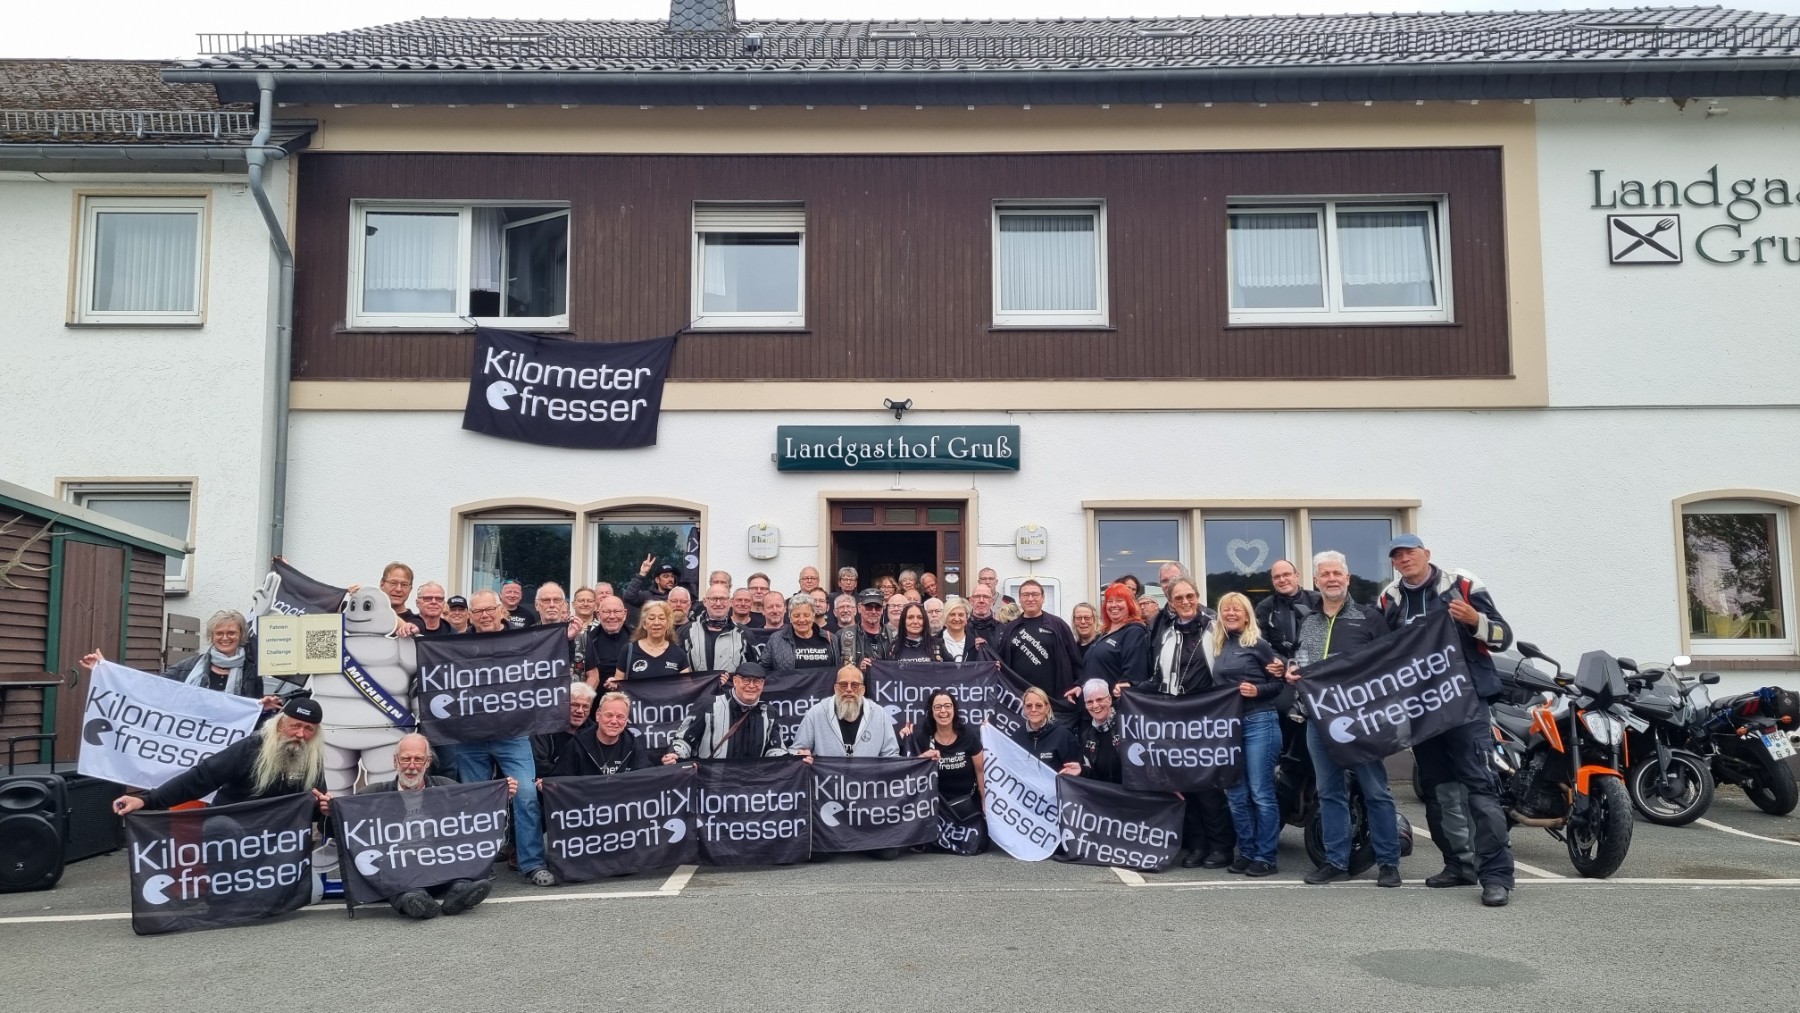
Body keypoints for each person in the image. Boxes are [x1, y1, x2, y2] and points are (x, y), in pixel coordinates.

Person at [1376, 533, 1516, 907]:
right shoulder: (1389, 598)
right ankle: (1458, 865)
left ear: (1426, 554)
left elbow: (1503, 637)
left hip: (1466, 703)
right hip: (1420, 708)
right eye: (1397, 555)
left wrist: (1475, 620)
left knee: (1480, 787)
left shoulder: (1462, 584)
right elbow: (1381, 652)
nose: (1405, 559)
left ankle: (1496, 876)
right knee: (1439, 791)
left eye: (1410, 552)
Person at [1290, 551, 1403, 888]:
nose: (1331, 579)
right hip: (1318, 721)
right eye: (1325, 574)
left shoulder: (1369, 618)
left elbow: (1389, 665)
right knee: (1329, 793)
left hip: (1361, 721)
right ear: (1316, 581)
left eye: (1337, 573)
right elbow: (1302, 660)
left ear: (1348, 578)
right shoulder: (1309, 621)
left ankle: (1388, 863)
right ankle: (1335, 861)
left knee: (1376, 792)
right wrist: (1294, 671)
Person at [1137, 578, 1235, 869]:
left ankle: (1221, 847)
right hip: (1175, 720)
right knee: (1184, 784)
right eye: (1178, 598)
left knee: (1208, 785)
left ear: (1198, 596)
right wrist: (1131, 691)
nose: (1185, 602)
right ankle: (1197, 845)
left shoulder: (1216, 627)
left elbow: (1243, 653)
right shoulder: (1167, 633)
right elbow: (1159, 678)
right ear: (1170, 602)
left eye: (1189, 596)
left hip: (1208, 717)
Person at [359, 734, 507, 920]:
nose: (411, 766)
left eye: (418, 759)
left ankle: (458, 893)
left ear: (427, 762)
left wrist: (501, 796)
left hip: (438, 865)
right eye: (405, 759)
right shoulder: (373, 795)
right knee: (400, 884)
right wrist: (330, 814)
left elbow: (477, 816)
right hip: (399, 869)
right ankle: (414, 900)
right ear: (395, 761)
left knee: (461, 860)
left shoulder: (446, 788)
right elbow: (346, 830)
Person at [112, 695, 331, 814]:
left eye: (308, 729)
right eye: (295, 726)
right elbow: (200, 777)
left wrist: (324, 809)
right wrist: (146, 800)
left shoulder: (311, 758)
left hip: (279, 836)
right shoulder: (252, 748)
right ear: (280, 724)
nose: (300, 734)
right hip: (233, 827)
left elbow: (313, 807)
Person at [1210, 591, 1283, 878]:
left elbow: (1279, 684)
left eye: (1236, 609)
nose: (1230, 613)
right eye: (1225, 609)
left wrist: (1258, 690)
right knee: (1236, 794)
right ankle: (1248, 852)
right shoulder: (1219, 645)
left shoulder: (1259, 644)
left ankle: (1266, 856)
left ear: (1246, 614)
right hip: (1230, 727)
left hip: (1259, 721)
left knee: (1261, 793)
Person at [453, 683, 555, 885]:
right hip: (468, 734)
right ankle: (479, 864)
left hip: (512, 732)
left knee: (526, 794)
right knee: (475, 801)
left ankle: (532, 863)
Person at [905, 690, 986, 854]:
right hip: (936, 808)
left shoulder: (968, 735)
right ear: (931, 711)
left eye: (948, 706)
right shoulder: (923, 737)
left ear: (954, 709)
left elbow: (980, 771)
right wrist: (922, 757)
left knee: (980, 843)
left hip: (966, 804)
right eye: (938, 707)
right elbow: (912, 773)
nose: (943, 711)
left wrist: (985, 802)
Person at [162, 610, 282, 712]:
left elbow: (251, 713)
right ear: (212, 636)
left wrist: (262, 707)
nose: (225, 638)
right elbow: (158, 689)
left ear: (241, 635)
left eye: (231, 633)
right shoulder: (186, 668)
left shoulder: (251, 672)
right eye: (219, 633)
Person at [995, 579, 1083, 716]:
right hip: (1020, 702)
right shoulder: (1011, 628)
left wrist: (1078, 684)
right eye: (1025, 595)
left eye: (1035, 594)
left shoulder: (1058, 625)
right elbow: (1001, 662)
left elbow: (1075, 661)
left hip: (1054, 702)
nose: (1030, 599)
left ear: (1043, 598)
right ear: (1020, 599)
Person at [666, 663, 787, 761]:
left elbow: (776, 748)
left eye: (757, 681)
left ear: (763, 684)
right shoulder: (708, 705)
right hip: (713, 781)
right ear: (735, 681)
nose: (751, 685)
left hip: (752, 781)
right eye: (746, 680)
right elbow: (684, 739)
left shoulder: (770, 713)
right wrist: (675, 754)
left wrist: (790, 761)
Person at [790, 665, 900, 760]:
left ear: (863, 690)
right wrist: (801, 755)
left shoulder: (879, 715)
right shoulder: (816, 713)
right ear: (835, 688)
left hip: (867, 778)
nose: (849, 689)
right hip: (828, 778)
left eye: (855, 685)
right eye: (843, 685)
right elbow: (796, 751)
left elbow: (891, 756)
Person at [545, 692, 654, 778]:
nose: (614, 721)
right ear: (598, 715)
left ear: (626, 721)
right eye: (609, 715)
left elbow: (646, 778)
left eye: (620, 717)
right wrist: (549, 785)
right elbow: (561, 780)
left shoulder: (633, 744)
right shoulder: (577, 744)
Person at [1084, 583, 1149, 699]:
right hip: (1092, 703)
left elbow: (1135, 673)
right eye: (1110, 601)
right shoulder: (1103, 633)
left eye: (1119, 601)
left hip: (1114, 703)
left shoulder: (1134, 631)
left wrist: (1125, 688)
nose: (1114, 605)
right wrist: (1079, 685)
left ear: (1129, 605)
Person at [611, 601, 691, 688]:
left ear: (668, 624)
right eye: (651, 618)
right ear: (644, 624)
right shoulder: (628, 651)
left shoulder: (678, 654)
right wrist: (613, 684)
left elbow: (687, 688)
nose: (656, 623)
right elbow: (618, 685)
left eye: (661, 618)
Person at [1256, 559, 1320, 662]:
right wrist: (1287, 664)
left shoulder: (1318, 600)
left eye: (1286, 574)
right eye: (1277, 577)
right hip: (1281, 668)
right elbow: (1261, 643)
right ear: (1273, 581)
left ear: (1297, 576)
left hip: (1319, 666)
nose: (1282, 580)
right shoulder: (1265, 607)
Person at [1065, 679, 1123, 783]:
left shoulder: (1127, 724)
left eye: (1099, 699)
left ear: (1109, 699)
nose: (1095, 705)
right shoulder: (1087, 736)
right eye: (1089, 702)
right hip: (1106, 791)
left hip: (1134, 791)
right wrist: (1082, 771)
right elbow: (1094, 775)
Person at [533, 682, 595, 779]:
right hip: (550, 783)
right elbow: (540, 765)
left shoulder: (594, 730)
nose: (580, 711)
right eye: (574, 705)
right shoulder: (543, 728)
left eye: (585, 706)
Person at [762, 593, 836, 672]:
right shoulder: (776, 639)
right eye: (796, 616)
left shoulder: (830, 638)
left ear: (813, 616)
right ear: (790, 617)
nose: (801, 620)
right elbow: (763, 670)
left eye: (806, 615)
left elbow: (837, 668)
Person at [686, 584, 749, 674]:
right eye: (713, 599)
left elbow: (753, 670)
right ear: (705, 601)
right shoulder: (687, 632)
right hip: (696, 684)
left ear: (730, 602)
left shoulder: (743, 633)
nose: (718, 604)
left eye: (723, 599)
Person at [1010, 687, 1080, 768]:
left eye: (1039, 705)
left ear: (1047, 708)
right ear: (1024, 709)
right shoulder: (1017, 736)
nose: (1033, 709)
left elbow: (1078, 770)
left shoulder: (1064, 736)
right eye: (1029, 706)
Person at [833, 588, 892, 671]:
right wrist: (858, 670)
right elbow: (835, 669)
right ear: (859, 608)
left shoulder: (894, 635)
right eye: (868, 607)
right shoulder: (842, 635)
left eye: (878, 607)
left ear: (882, 609)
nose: (873, 611)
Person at [583, 595, 631, 689]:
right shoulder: (588, 640)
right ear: (598, 615)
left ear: (624, 614)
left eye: (617, 611)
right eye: (607, 612)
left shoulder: (637, 639)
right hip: (597, 694)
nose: (612, 616)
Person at [937, 598, 984, 663]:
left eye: (961, 615)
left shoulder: (977, 644)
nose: (957, 619)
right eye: (952, 614)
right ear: (945, 617)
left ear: (966, 618)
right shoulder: (932, 643)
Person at [380, 562, 422, 629]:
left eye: (404, 585)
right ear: (382, 584)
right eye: (393, 583)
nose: (398, 589)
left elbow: (409, 631)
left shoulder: (417, 623)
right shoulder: (368, 617)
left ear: (410, 589)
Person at [569, 587, 600, 672]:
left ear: (595, 606)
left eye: (590, 601)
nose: (585, 604)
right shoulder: (564, 628)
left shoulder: (602, 629)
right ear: (573, 604)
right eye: (581, 600)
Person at [966, 585, 1003, 652]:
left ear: (992, 601)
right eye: (977, 596)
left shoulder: (1003, 630)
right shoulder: (962, 630)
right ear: (971, 601)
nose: (981, 600)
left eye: (986, 597)